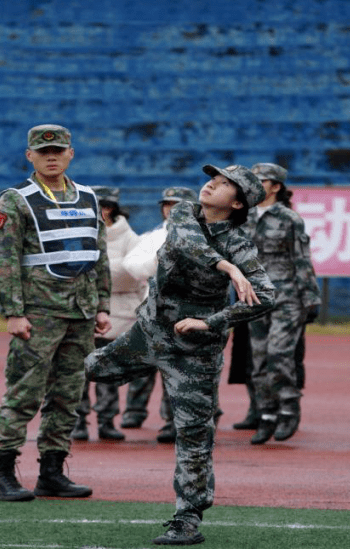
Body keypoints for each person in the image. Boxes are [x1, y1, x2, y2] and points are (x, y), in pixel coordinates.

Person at [84, 164, 275, 546]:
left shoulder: (240, 244)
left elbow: (267, 296)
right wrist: (226, 268)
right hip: (148, 333)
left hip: (193, 354)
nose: (210, 185)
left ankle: (186, 518)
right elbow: (188, 242)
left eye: (223, 185)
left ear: (237, 203)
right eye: (212, 179)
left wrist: (213, 322)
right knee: (86, 368)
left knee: (193, 434)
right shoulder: (185, 212)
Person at [0, 124, 111, 501]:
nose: (51, 156)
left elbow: (99, 255)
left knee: (68, 395)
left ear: (71, 152)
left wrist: (103, 305)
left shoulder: (88, 197)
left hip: (81, 312)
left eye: (58, 150)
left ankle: (52, 472)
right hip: (38, 312)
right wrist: (13, 311)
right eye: (43, 151)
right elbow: (4, 260)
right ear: (30, 156)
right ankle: (2, 475)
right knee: (24, 392)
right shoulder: (15, 200)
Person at [242, 163, 321, 444]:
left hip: (287, 297)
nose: (255, 185)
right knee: (259, 358)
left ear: (276, 186)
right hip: (253, 297)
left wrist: (310, 298)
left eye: (261, 181)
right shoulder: (244, 216)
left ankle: (289, 407)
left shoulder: (289, 219)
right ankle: (266, 414)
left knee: (279, 354)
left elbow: (302, 259)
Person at [122, 186, 199, 444]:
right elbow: (132, 264)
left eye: (178, 204)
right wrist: (157, 260)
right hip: (153, 310)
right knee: (143, 361)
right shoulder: (153, 236)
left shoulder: (203, 235)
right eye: (167, 204)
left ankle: (172, 421)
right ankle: (134, 411)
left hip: (187, 312)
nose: (171, 209)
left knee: (177, 368)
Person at [71, 186, 148, 442]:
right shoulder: (78, 233)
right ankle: (78, 421)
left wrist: (95, 272)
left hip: (119, 316)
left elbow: (133, 273)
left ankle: (107, 421)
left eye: (106, 207)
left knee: (107, 372)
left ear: (113, 209)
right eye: (97, 207)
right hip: (81, 313)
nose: (101, 213)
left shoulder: (130, 238)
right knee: (77, 373)